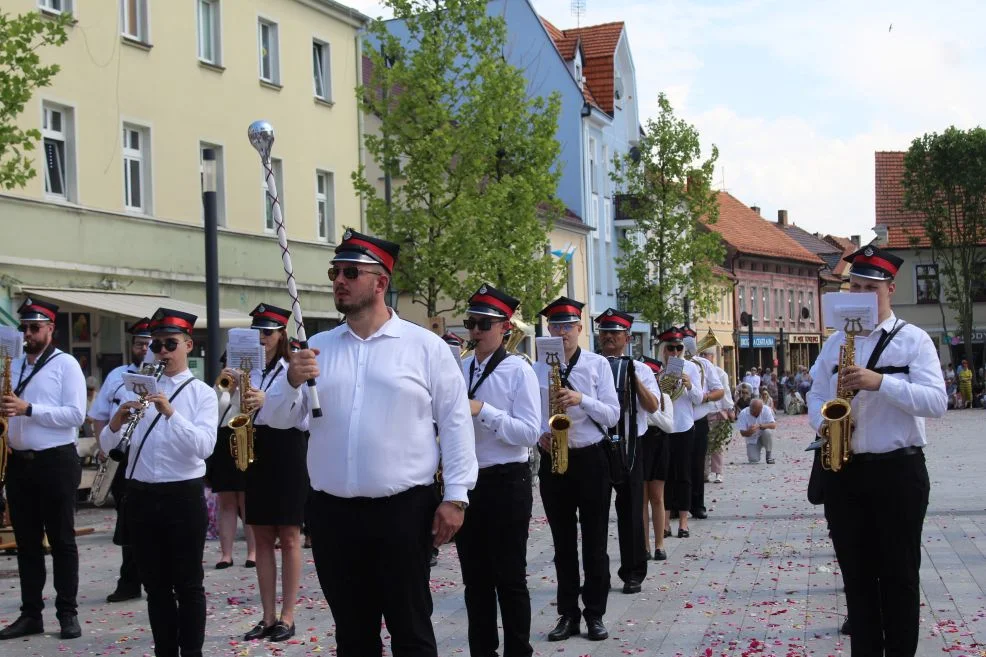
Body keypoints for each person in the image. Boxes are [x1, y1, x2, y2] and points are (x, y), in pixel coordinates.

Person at [264, 229, 477, 657]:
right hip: (332, 514)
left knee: (411, 629)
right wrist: (291, 379)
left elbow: (455, 424)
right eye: (334, 272)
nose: (339, 281)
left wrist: (456, 496)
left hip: (402, 511)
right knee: (352, 634)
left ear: (380, 283)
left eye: (350, 273)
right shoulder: (316, 349)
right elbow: (277, 418)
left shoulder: (425, 348)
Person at [808, 245, 946, 657]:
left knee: (900, 577)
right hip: (845, 473)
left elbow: (936, 402)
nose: (860, 294)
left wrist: (880, 383)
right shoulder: (835, 343)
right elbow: (815, 393)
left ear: (890, 289)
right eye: (855, 285)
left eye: (870, 288)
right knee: (857, 578)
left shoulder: (914, 341)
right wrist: (824, 420)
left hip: (898, 473)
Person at [100, 308, 218, 657]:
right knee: (156, 587)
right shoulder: (134, 386)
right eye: (156, 345)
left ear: (187, 345)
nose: (162, 352)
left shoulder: (202, 393)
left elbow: (204, 448)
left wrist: (171, 413)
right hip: (140, 495)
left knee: (189, 585)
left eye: (170, 344)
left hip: (181, 496)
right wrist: (117, 423)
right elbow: (111, 450)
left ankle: (191, 653)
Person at [455, 284, 540, 657]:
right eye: (471, 323)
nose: (474, 332)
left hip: (507, 481)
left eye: (483, 325)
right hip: (469, 482)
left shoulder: (518, 370)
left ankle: (519, 651)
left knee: (510, 578)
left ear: (505, 327)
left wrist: (483, 411)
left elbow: (530, 432)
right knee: (474, 582)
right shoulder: (460, 367)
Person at [533, 297, 620, 642]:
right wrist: (539, 432)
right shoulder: (538, 367)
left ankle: (594, 614)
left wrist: (581, 399)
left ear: (580, 329)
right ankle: (567, 614)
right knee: (562, 543)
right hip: (555, 458)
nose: (562, 332)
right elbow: (530, 411)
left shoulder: (597, 365)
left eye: (568, 326)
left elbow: (612, 415)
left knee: (595, 541)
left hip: (591, 458)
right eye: (555, 326)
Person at [0, 298, 86, 641]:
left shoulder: (66, 366)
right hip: (20, 463)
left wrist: (29, 408)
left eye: (36, 328)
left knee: (62, 541)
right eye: (25, 328)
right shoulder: (14, 365)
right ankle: (30, 614)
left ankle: (67, 613)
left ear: (51, 328)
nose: (29, 334)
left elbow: (75, 415)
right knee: (26, 544)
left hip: (56, 462)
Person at [232, 304, 311, 643]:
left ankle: (288, 616)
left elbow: (304, 415)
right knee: (262, 537)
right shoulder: (246, 368)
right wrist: (236, 389)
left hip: (288, 450)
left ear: (282, 335)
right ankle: (266, 616)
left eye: (268, 332)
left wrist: (268, 399)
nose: (262, 339)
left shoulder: (291, 367)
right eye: (257, 333)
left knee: (289, 536)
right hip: (257, 450)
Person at [595, 309, 660, 594]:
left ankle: (633, 572)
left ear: (627, 337)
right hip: (597, 445)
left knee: (632, 511)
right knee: (595, 513)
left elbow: (653, 407)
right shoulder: (591, 364)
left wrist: (632, 379)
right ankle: (598, 574)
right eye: (604, 332)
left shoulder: (642, 368)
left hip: (632, 447)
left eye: (615, 332)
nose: (609, 337)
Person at [88, 317, 153, 603]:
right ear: (133, 346)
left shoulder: (164, 380)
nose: (145, 349)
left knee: (154, 521)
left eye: (149, 345)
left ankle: (156, 578)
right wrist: (105, 446)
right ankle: (129, 581)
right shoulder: (117, 376)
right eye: (140, 344)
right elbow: (99, 415)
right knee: (127, 521)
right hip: (122, 457)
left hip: (151, 458)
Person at [207, 346, 257, 569]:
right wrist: (225, 388)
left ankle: (252, 552)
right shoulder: (219, 386)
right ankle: (225, 554)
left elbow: (252, 411)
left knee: (247, 500)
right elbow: (213, 412)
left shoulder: (252, 383)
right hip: (223, 439)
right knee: (226, 501)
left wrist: (243, 384)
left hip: (245, 438)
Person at [655, 328, 703, 540]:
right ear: (663, 350)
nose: (674, 352)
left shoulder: (691, 368)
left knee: (683, 475)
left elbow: (699, 398)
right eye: (670, 348)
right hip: (663, 427)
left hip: (684, 426)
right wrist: (661, 382)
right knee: (664, 476)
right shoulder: (656, 369)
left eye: (678, 348)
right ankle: (665, 523)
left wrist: (689, 385)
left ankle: (683, 522)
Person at [681, 330, 724, 520]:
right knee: (677, 465)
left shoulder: (704, 364)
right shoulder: (672, 364)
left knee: (697, 465)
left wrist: (704, 397)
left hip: (698, 420)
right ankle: (677, 505)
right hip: (678, 420)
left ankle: (697, 504)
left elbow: (719, 391)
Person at [638, 357, 674, 561]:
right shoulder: (637, 397)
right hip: (642, 444)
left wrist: (651, 413)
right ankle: (645, 545)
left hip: (660, 444)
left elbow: (669, 426)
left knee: (658, 497)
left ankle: (660, 544)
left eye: (653, 376)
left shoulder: (665, 397)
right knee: (642, 499)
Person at [702, 345, 734, 484]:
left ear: (712, 357)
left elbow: (725, 392)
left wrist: (729, 408)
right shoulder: (698, 371)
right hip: (703, 413)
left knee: (717, 445)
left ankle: (718, 472)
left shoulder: (720, 373)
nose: (704, 358)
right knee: (703, 446)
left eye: (706, 355)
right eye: (702, 354)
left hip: (717, 411)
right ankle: (704, 473)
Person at [737, 398, 776, 464]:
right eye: (753, 412)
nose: (755, 414)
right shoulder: (743, 413)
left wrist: (760, 426)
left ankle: (768, 456)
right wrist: (749, 432)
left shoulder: (766, 409)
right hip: (752, 439)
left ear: (761, 408)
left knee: (767, 432)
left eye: (758, 412)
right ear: (750, 408)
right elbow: (742, 433)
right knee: (753, 459)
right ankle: (756, 450)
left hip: (764, 435)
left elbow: (773, 425)